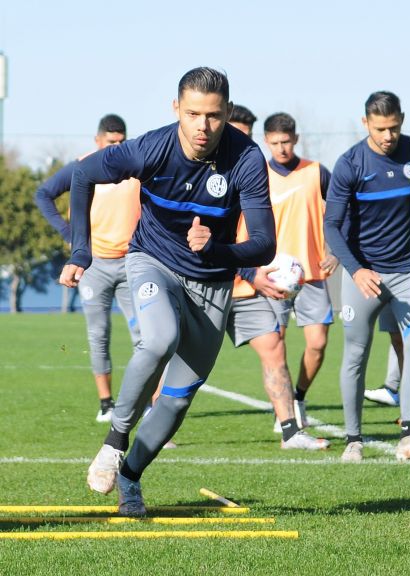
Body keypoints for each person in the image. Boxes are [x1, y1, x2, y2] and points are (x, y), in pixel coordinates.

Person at [59, 67, 276, 516]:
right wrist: (81, 251)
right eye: (193, 113)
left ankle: (130, 478)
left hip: (213, 283)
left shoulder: (247, 159)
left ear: (228, 113)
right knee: (158, 339)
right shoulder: (150, 149)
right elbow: (82, 176)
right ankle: (114, 442)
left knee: (177, 401)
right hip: (153, 261)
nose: (203, 126)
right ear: (176, 109)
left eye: (213, 116)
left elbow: (265, 244)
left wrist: (217, 247)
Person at [324, 90, 410, 463]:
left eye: (393, 128)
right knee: (356, 353)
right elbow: (332, 227)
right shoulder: (350, 164)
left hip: (409, 271)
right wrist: (356, 271)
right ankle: (353, 438)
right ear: (365, 124)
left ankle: (409, 436)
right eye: (379, 129)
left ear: (402, 120)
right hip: (365, 275)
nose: (387, 136)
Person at [228, 111, 334, 449]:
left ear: (296, 139)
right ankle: (284, 413)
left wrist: (336, 252)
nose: (281, 148)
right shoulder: (256, 174)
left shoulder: (316, 173)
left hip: (311, 273)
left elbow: (342, 211)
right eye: (274, 143)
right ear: (266, 141)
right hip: (270, 275)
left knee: (317, 343)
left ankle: (299, 396)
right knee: (276, 345)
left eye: (286, 142)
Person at [36, 114, 141, 423]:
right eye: (111, 142)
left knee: (144, 334)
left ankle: (145, 404)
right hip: (93, 265)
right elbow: (43, 194)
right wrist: (71, 235)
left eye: (121, 142)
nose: (117, 147)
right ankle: (106, 403)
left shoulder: (135, 169)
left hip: (132, 262)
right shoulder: (82, 167)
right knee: (98, 334)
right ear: (98, 142)